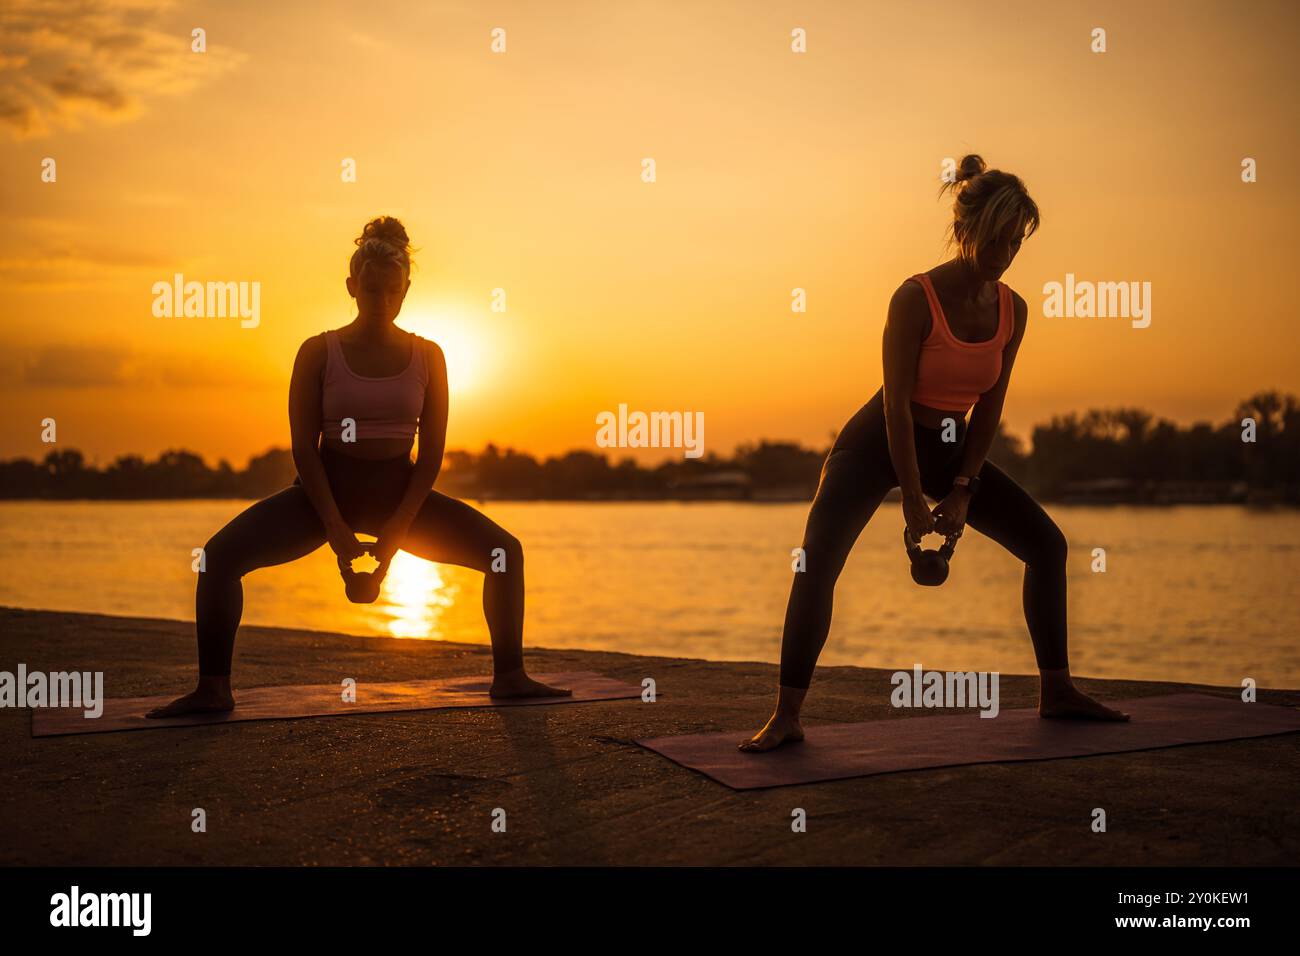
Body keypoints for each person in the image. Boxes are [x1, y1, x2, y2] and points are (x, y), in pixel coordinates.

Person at [740, 155, 1129, 752]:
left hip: (952, 447)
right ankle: (786, 715)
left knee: (1048, 547)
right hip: (876, 444)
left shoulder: (1013, 310)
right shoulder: (914, 298)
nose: (1004, 254)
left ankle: (1057, 692)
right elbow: (896, 406)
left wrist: (963, 489)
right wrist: (911, 501)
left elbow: (990, 405)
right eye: (996, 239)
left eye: (1016, 242)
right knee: (815, 566)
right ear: (966, 229)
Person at [148, 216, 569, 717]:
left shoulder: (429, 356)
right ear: (352, 286)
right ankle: (213, 689)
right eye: (371, 289)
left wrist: (397, 531)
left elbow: (431, 454)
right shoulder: (317, 351)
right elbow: (304, 449)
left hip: (398, 493)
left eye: (392, 290)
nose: (381, 300)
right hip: (324, 492)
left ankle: (511, 677)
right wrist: (336, 531)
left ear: (406, 290)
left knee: (505, 552)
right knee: (216, 559)